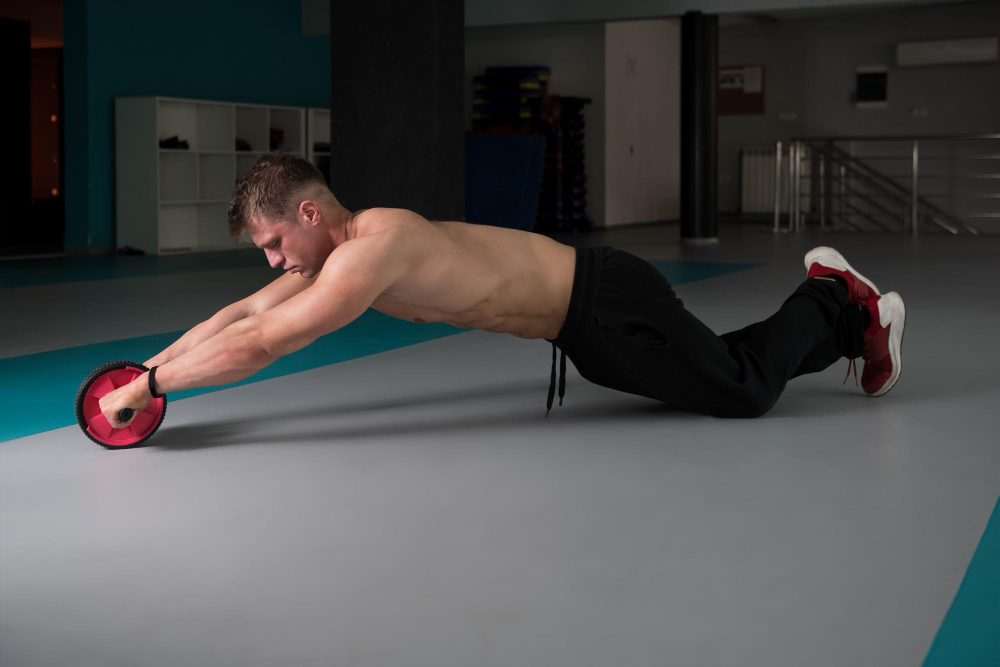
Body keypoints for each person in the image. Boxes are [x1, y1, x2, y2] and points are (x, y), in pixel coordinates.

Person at [99, 151, 905, 427]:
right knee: (715, 370)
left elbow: (269, 339)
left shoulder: (374, 249)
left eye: (275, 244)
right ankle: (857, 328)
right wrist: (148, 370)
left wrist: (158, 386)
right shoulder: (331, 254)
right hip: (582, 338)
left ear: (309, 212)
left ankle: (833, 295)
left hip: (605, 298)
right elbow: (241, 314)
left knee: (741, 391)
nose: (274, 265)